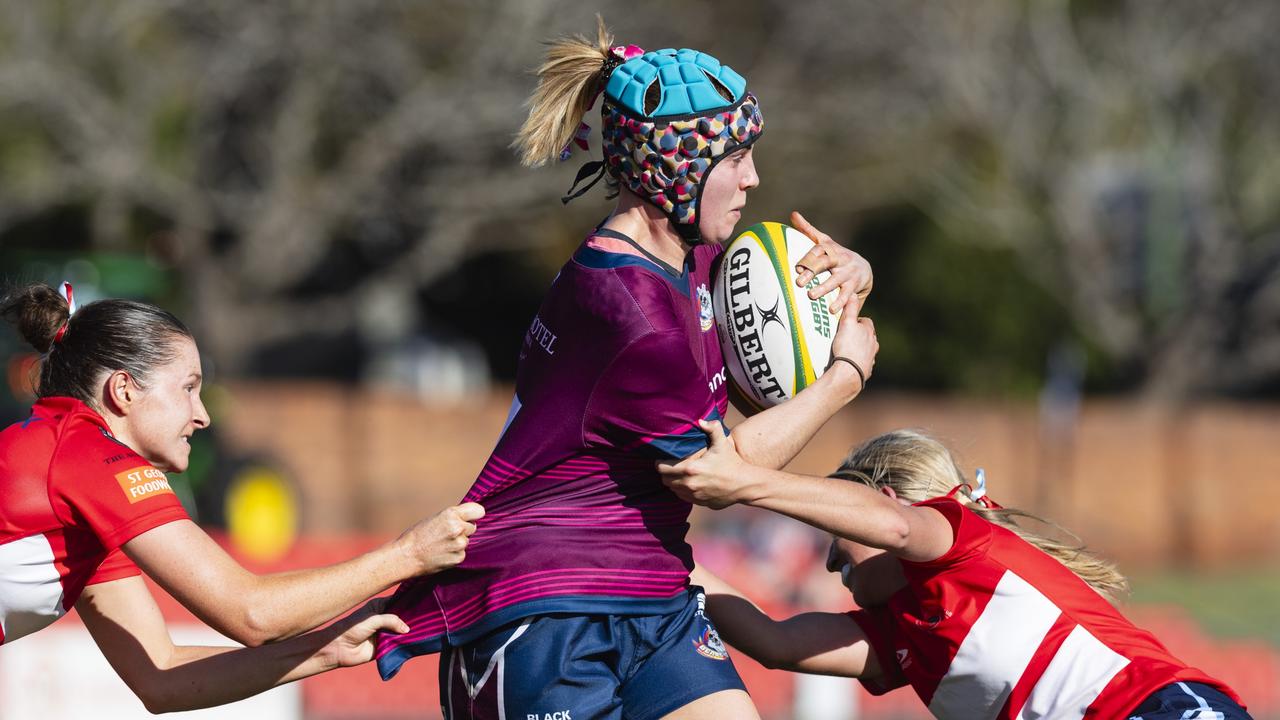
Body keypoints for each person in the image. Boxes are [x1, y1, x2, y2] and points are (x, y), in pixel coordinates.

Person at [373, 18, 879, 720]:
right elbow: (718, 474)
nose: (753, 178)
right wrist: (842, 381)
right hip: (543, 608)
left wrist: (854, 275)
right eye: (736, 158)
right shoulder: (630, 310)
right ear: (677, 168)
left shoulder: (688, 259)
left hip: (651, 592)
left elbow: (747, 361)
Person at [0, 282, 484, 713]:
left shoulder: (70, 460)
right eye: (188, 388)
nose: (203, 415)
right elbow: (250, 613)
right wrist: (409, 555)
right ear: (124, 390)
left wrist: (325, 650)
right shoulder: (89, 456)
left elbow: (161, 677)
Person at [662, 426, 1252, 719]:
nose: (831, 559)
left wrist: (744, 484)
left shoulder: (959, 538)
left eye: (838, 535)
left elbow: (894, 529)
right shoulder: (901, 633)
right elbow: (775, 642)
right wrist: (660, 560)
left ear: (886, 501)